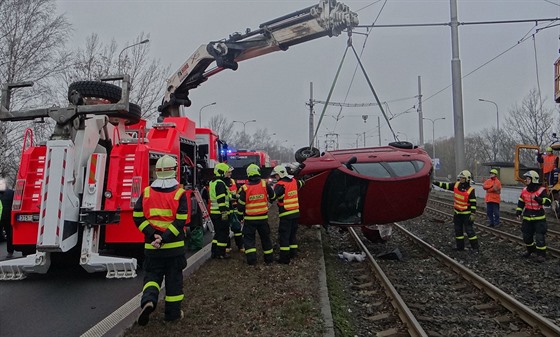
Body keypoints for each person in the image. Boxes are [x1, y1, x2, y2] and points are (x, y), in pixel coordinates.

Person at [133, 155, 188, 325]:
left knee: (151, 277)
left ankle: (148, 301)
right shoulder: (180, 193)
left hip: (152, 249)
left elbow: (137, 216)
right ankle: (172, 315)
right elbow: (180, 221)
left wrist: (152, 235)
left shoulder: (147, 192)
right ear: (175, 171)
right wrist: (164, 238)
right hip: (174, 249)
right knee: (174, 282)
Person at [237, 164, 276, 265]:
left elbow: (241, 205)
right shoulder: (264, 184)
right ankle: (269, 259)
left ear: (248, 174)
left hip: (250, 219)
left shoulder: (245, 188)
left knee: (249, 240)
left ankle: (252, 260)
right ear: (258, 172)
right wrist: (269, 202)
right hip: (263, 219)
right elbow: (273, 196)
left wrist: (239, 216)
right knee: (266, 239)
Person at [432, 170, 479, 252]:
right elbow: (445, 185)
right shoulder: (456, 185)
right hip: (457, 214)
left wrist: (473, 214)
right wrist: (435, 183)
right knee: (458, 231)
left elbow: (473, 203)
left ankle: (475, 248)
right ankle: (460, 247)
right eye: (460, 178)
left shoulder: (471, 190)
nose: (460, 179)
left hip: (466, 214)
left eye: (462, 178)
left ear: (467, 179)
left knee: (469, 231)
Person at [271, 165, 304, 264]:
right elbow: (302, 183)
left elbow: (273, 197)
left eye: (276, 175)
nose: (275, 178)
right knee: (292, 235)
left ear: (280, 174)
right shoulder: (294, 181)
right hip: (295, 213)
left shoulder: (280, 185)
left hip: (286, 213)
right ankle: (293, 253)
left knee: (284, 236)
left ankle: (284, 258)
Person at [516, 170, 550, 263]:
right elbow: (521, 202)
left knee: (539, 238)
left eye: (528, 179)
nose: (526, 180)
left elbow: (548, 202)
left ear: (533, 180)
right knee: (527, 238)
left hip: (539, 219)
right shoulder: (524, 190)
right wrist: (518, 212)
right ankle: (531, 251)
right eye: (526, 178)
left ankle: (541, 255)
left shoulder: (541, 190)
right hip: (527, 218)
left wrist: (539, 199)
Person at [209, 162, 232, 259]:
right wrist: (224, 214)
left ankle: (214, 252)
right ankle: (221, 254)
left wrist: (234, 196)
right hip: (220, 213)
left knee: (218, 233)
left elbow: (225, 197)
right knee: (223, 233)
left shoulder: (213, 182)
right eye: (227, 172)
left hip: (214, 212)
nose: (229, 174)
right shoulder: (220, 183)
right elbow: (221, 201)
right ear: (222, 172)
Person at [225, 165, 244, 253]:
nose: (230, 174)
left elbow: (240, 191)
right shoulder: (220, 183)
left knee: (237, 228)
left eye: (230, 172)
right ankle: (227, 247)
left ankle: (240, 246)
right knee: (225, 230)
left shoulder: (233, 181)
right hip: (225, 209)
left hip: (234, 208)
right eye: (229, 172)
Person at [0, 178, 14, 258]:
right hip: (8, 216)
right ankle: (10, 252)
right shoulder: (11, 193)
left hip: (1, 216)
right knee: (9, 234)